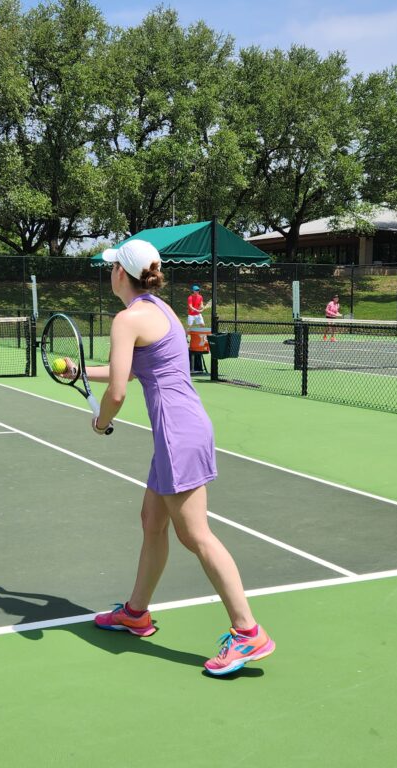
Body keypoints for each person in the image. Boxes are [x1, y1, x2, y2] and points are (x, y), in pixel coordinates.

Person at [85, 238, 274, 676]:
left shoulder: (127, 318)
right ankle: (136, 612)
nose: (110, 272)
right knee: (153, 523)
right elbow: (129, 369)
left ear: (120, 275)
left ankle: (248, 633)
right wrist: (81, 370)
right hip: (189, 427)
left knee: (196, 536)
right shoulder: (161, 309)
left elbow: (117, 390)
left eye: (112, 267)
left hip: (175, 435)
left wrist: (100, 422)